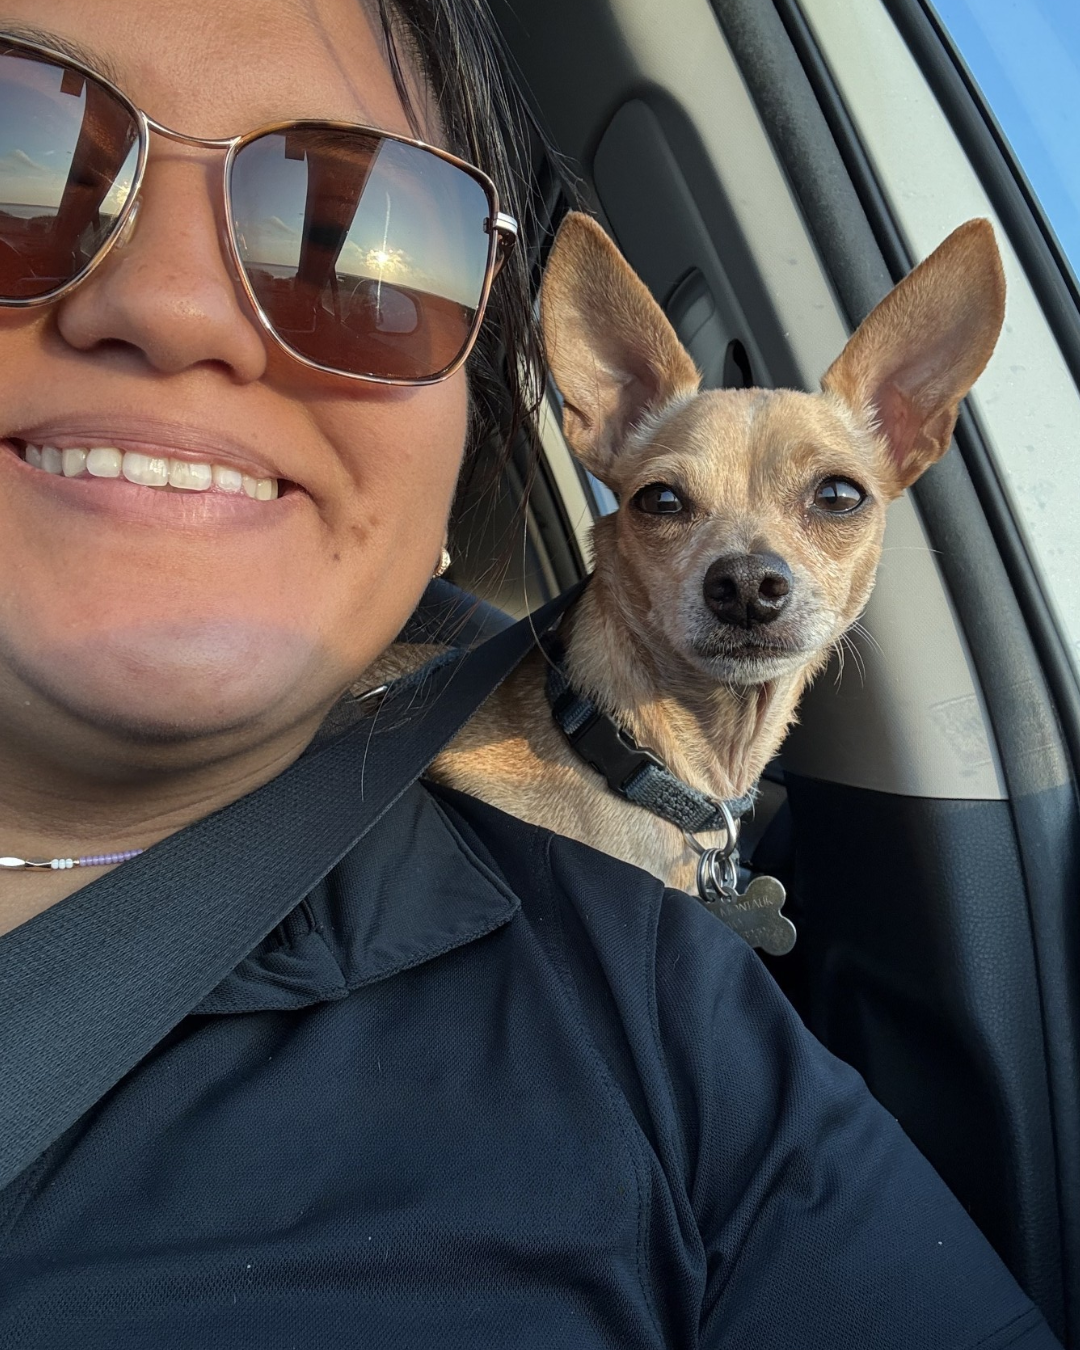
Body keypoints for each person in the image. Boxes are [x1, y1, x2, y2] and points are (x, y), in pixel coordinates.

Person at [0, 1, 1064, 1346]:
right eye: (668, 503)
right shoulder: (459, 834)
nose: (752, 568)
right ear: (597, 423)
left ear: (915, 435)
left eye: (833, 498)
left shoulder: (682, 1032)